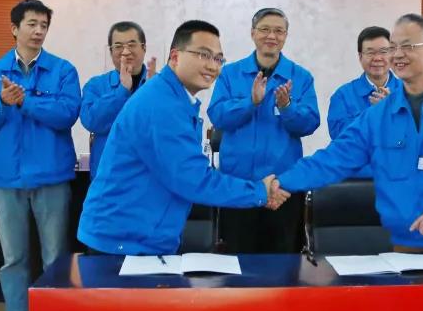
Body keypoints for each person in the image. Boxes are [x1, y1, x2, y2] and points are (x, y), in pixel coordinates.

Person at [275, 13, 423, 252]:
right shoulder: (378, 115)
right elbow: (333, 159)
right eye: (393, 47)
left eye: (408, 46)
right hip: (410, 235)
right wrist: (280, 182)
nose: (398, 55)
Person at [78, 20, 287, 255]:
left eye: (218, 59)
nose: (212, 66)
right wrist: (259, 192)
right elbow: (193, 178)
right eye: (203, 55)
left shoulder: (175, 99)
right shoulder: (162, 104)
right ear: (175, 56)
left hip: (141, 236)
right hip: (122, 242)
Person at [0, 0, 81, 311]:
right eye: (31, 24)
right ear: (14, 28)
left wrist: (25, 102)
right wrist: (2, 102)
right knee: (13, 259)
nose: (38, 31)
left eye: (43, 25)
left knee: (55, 257)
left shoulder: (62, 70)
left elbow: (67, 114)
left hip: (51, 177)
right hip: (7, 178)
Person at [209, 7, 319, 253]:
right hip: (238, 185)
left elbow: (311, 123)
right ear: (252, 33)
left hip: (283, 188)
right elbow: (217, 116)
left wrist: (287, 107)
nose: (272, 36)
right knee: (236, 260)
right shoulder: (230, 74)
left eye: (279, 31)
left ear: (286, 36)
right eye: (265, 29)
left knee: (283, 261)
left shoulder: (300, 77)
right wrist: (250, 102)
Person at [79, 21, 155, 175]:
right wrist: (122, 91)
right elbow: (91, 121)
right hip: (109, 177)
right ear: (111, 51)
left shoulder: (159, 85)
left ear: (144, 48)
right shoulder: (96, 85)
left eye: (132, 45)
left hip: (149, 176)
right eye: (118, 46)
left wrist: (155, 94)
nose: (125, 52)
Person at [326, 25, 399, 178]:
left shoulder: (410, 92)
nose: (377, 58)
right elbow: (342, 140)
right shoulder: (342, 96)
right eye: (370, 52)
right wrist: (374, 115)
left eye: (383, 51)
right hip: (357, 179)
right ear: (360, 57)